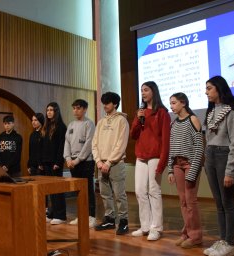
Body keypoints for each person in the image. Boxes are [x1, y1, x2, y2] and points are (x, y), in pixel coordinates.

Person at [203, 76, 234, 256]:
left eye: (209, 88)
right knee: (219, 203)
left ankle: (230, 242)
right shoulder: (212, 111)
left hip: (224, 156)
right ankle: (222, 240)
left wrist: (230, 170)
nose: (206, 92)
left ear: (219, 89)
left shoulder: (232, 112)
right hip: (211, 155)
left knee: (228, 202)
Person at [130, 81, 170, 241]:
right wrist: (138, 119)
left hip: (155, 156)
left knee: (154, 190)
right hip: (141, 155)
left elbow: (166, 139)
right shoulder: (140, 113)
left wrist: (163, 162)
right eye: (141, 91)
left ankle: (156, 228)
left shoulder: (162, 113)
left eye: (146, 90)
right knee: (140, 191)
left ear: (153, 91)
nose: (143, 93)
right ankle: (145, 226)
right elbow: (134, 134)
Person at [167, 93, 204, 248]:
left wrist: (194, 169)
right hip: (177, 164)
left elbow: (199, 147)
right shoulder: (174, 124)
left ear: (183, 103)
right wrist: (170, 169)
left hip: (189, 164)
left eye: (174, 103)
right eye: (170, 103)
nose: (171, 106)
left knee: (190, 201)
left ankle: (195, 236)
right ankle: (187, 233)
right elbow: (171, 147)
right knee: (183, 201)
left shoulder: (193, 120)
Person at [92, 92, 130, 235]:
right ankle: (109, 218)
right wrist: (98, 161)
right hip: (101, 163)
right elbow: (94, 143)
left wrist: (108, 162)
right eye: (104, 103)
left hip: (115, 163)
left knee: (119, 194)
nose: (105, 105)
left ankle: (124, 221)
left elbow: (121, 144)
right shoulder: (101, 122)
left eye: (107, 103)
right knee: (105, 193)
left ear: (114, 104)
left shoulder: (121, 121)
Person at [64, 99, 97, 228]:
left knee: (88, 189)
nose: (75, 111)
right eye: (74, 108)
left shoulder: (89, 124)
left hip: (85, 162)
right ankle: (81, 215)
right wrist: (67, 158)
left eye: (78, 108)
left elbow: (89, 144)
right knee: (78, 191)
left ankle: (91, 217)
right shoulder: (71, 124)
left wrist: (77, 160)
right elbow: (67, 142)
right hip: (72, 162)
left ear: (84, 109)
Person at [40, 102, 67, 225]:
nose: (49, 112)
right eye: (47, 110)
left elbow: (62, 146)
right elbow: (43, 146)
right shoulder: (46, 126)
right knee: (50, 190)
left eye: (51, 110)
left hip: (55, 162)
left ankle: (60, 215)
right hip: (46, 161)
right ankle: (51, 213)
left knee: (57, 190)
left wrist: (58, 162)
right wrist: (41, 161)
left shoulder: (61, 127)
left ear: (56, 111)